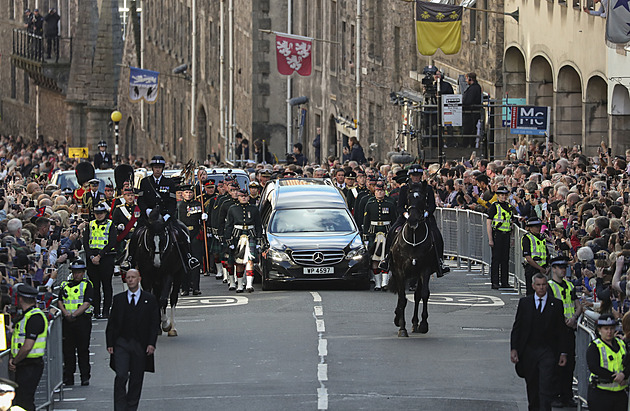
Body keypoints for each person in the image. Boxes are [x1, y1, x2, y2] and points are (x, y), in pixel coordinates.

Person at [510, 274, 568, 411]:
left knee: (545, 386)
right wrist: (514, 349)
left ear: (547, 286)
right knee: (532, 385)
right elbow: (517, 327)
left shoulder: (556, 304)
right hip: (529, 351)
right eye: (538, 285)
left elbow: (561, 331)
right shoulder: (525, 303)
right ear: (533, 286)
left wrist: (563, 353)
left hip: (547, 351)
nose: (541, 288)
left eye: (543, 285)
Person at [379, 164, 450, 276]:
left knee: (436, 235)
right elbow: (400, 206)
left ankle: (440, 262)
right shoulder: (404, 189)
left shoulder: (427, 189)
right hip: (407, 216)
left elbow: (432, 205)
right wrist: (406, 214)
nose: (416, 178)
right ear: (410, 176)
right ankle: (386, 258)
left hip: (424, 217)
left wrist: (427, 213)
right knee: (392, 232)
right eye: (414, 175)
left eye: (418, 175)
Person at [106, 269, 159, 411]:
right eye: (128, 277)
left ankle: (131, 407)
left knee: (136, 378)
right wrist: (110, 343)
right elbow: (112, 323)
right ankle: (119, 407)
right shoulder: (118, 299)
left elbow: (154, 324)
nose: (130, 280)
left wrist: (151, 344)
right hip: (121, 343)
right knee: (121, 375)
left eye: (133, 277)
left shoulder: (150, 299)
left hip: (140, 345)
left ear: (139, 279)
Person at [137, 155, 198, 270]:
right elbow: (140, 200)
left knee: (180, 233)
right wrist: (147, 210)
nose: (157, 170)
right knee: (137, 234)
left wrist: (167, 215)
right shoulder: (145, 182)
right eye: (155, 167)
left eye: (159, 167)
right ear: (152, 168)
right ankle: (129, 259)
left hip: (165, 216)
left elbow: (172, 202)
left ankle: (189, 257)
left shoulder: (169, 182)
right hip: (149, 217)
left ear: (163, 168)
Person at [547, 256, 582, 408]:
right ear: (553, 269)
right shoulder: (549, 287)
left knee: (569, 364)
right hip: (555, 332)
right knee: (555, 364)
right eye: (560, 267)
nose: (563, 270)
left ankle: (567, 395)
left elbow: (578, 305)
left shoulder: (569, 285)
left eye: (564, 267)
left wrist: (574, 317)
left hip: (568, 330)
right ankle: (554, 395)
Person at [9, 284, 48, 411]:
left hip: (30, 365)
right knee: (22, 401)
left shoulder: (34, 317)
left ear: (20, 299)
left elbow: (27, 347)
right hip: (24, 365)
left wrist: (14, 361)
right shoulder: (26, 316)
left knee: (24, 402)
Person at [58, 260, 93, 386]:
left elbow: (86, 303)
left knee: (83, 350)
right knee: (68, 350)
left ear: (83, 273)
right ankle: (69, 376)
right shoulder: (64, 285)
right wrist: (66, 314)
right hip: (67, 321)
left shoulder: (87, 285)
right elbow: (60, 301)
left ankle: (85, 376)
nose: (76, 275)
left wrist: (74, 314)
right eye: (74, 272)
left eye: (79, 272)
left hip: (82, 320)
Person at [586, 313, 629, 411]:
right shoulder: (594, 347)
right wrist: (615, 377)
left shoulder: (622, 344)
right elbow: (594, 367)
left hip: (620, 393)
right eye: (606, 329)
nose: (609, 332)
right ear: (599, 330)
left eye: (611, 328)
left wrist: (623, 375)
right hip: (601, 393)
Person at [224, 188, 262, 293]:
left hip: (251, 235)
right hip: (237, 236)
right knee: (238, 262)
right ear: (238, 197)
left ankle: (249, 285)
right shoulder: (233, 208)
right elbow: (229, 225)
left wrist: (259, 239)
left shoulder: (254, 208)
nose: (244, 198)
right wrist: (228, 240)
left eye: (245, 196)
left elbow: (258, 225)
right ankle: (240, 285)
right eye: (241, 196)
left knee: (250, 260)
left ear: (248, 197)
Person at [84, 202, 116, 318]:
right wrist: (91, 256)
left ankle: (106, 311)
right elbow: (86, 242)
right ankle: (96, 310)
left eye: (101, 213)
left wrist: (100, 255)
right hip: (92, 258)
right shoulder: (90, 224)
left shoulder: (110, 224)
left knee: (106, 285)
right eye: (97, 213)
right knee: (94, 286)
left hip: (106, 257)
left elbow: (112, 241)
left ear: (105, 213)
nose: (99, 215)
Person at [363, 181, 397, 291]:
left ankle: (384, 283)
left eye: (381, 191)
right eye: (378, 191)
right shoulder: (370, 203)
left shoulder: (390, 203)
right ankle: (377, 284)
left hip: (387, 231)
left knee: (386, 257)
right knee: (374, 258)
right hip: (374, 232)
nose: (380, 193)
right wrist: (366, 236)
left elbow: (394, 219)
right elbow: (366, 220)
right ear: (375, 191)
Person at [177, 185, 205, 296]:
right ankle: (185, 287)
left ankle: (196, 287)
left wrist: (203, 217)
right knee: (184, 263)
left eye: (190, 192)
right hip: (183, 235)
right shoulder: (179, 205)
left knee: (195, 262)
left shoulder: (198, 204)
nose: (188, 194)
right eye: (186, 192)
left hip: (195, 234)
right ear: (182, 194)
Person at [486, 186, 514, 289]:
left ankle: (504, 282)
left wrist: (512, 238)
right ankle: (495, 282)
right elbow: (488, 223)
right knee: (496, 259)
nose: (503, 197)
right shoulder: (494, 206)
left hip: (506, 235)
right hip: (497, 234)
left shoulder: (508, 206)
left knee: (505, 259)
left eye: (505, 195)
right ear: (497, 196)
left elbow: (511, 222)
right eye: (501, 195)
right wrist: (490, 239)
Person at [521, 217, 548, 296]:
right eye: (536, 226)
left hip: (543, 268)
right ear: (530, 228)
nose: (538, 228)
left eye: (539, 226)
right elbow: (528, 257)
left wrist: (547, 267)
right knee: (531, 293)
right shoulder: (527, 238)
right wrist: (540, 268)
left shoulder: (542, 238)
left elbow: (546, 253)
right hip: (532, 268)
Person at [462, 72, 482, 148]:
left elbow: (468, 101)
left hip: (471, 114)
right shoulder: (474, 87)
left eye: (467, 79)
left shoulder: (474, 88)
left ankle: (467, 145)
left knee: (469, 130)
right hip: (471, 114)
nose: (466, 81)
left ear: (470, 79)